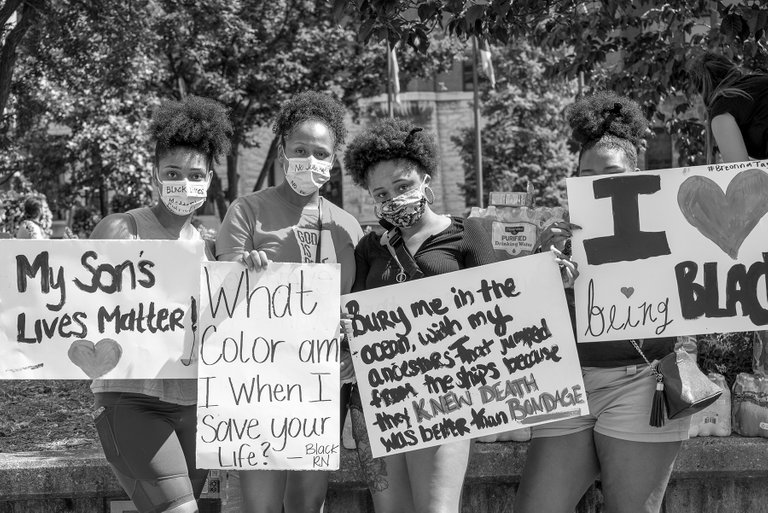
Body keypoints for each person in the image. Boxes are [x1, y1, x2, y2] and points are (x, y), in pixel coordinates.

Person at [514, 92, 690, 513]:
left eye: (610, 172)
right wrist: (543, 274)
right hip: (567, 389)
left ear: (635, 172)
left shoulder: (672, 224)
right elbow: (524, 322)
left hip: (643, 384)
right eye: (585, 173)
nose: (596, 183)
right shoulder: (556, 234)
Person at [215, 91, 363, 513]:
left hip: (324, 380)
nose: (310, 160)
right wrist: (244, 264)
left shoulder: (347, 226)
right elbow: (224, 280)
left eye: (321, 153)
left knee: (306, 501)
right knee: (259, 505)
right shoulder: (247, 211)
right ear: (282, 151)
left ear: (332, 162)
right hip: (257, 376)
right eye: (300, 150)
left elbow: (355, 301)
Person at [342, 118, 498, 513]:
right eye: (381, 192)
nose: (393, 198)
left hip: (446, 392)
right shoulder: (368, 249)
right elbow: (356, 317)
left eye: (403, 186)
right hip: (379, 398)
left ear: (426, 180)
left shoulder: (470, 234)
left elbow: (498, 312)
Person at [89, 95, 233, 513]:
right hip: (131, 399)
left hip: (196, 406)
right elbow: (83, 304)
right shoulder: (121, 228)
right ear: (155, 174)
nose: (184, 184)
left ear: (208, 181)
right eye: (173, 173)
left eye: (195, 175)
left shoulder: (209, 246)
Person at [688, 51, 768, 162]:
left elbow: (741, 174)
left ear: (701, 92)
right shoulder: (761, 80)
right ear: (730, 66)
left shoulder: (721, 111)